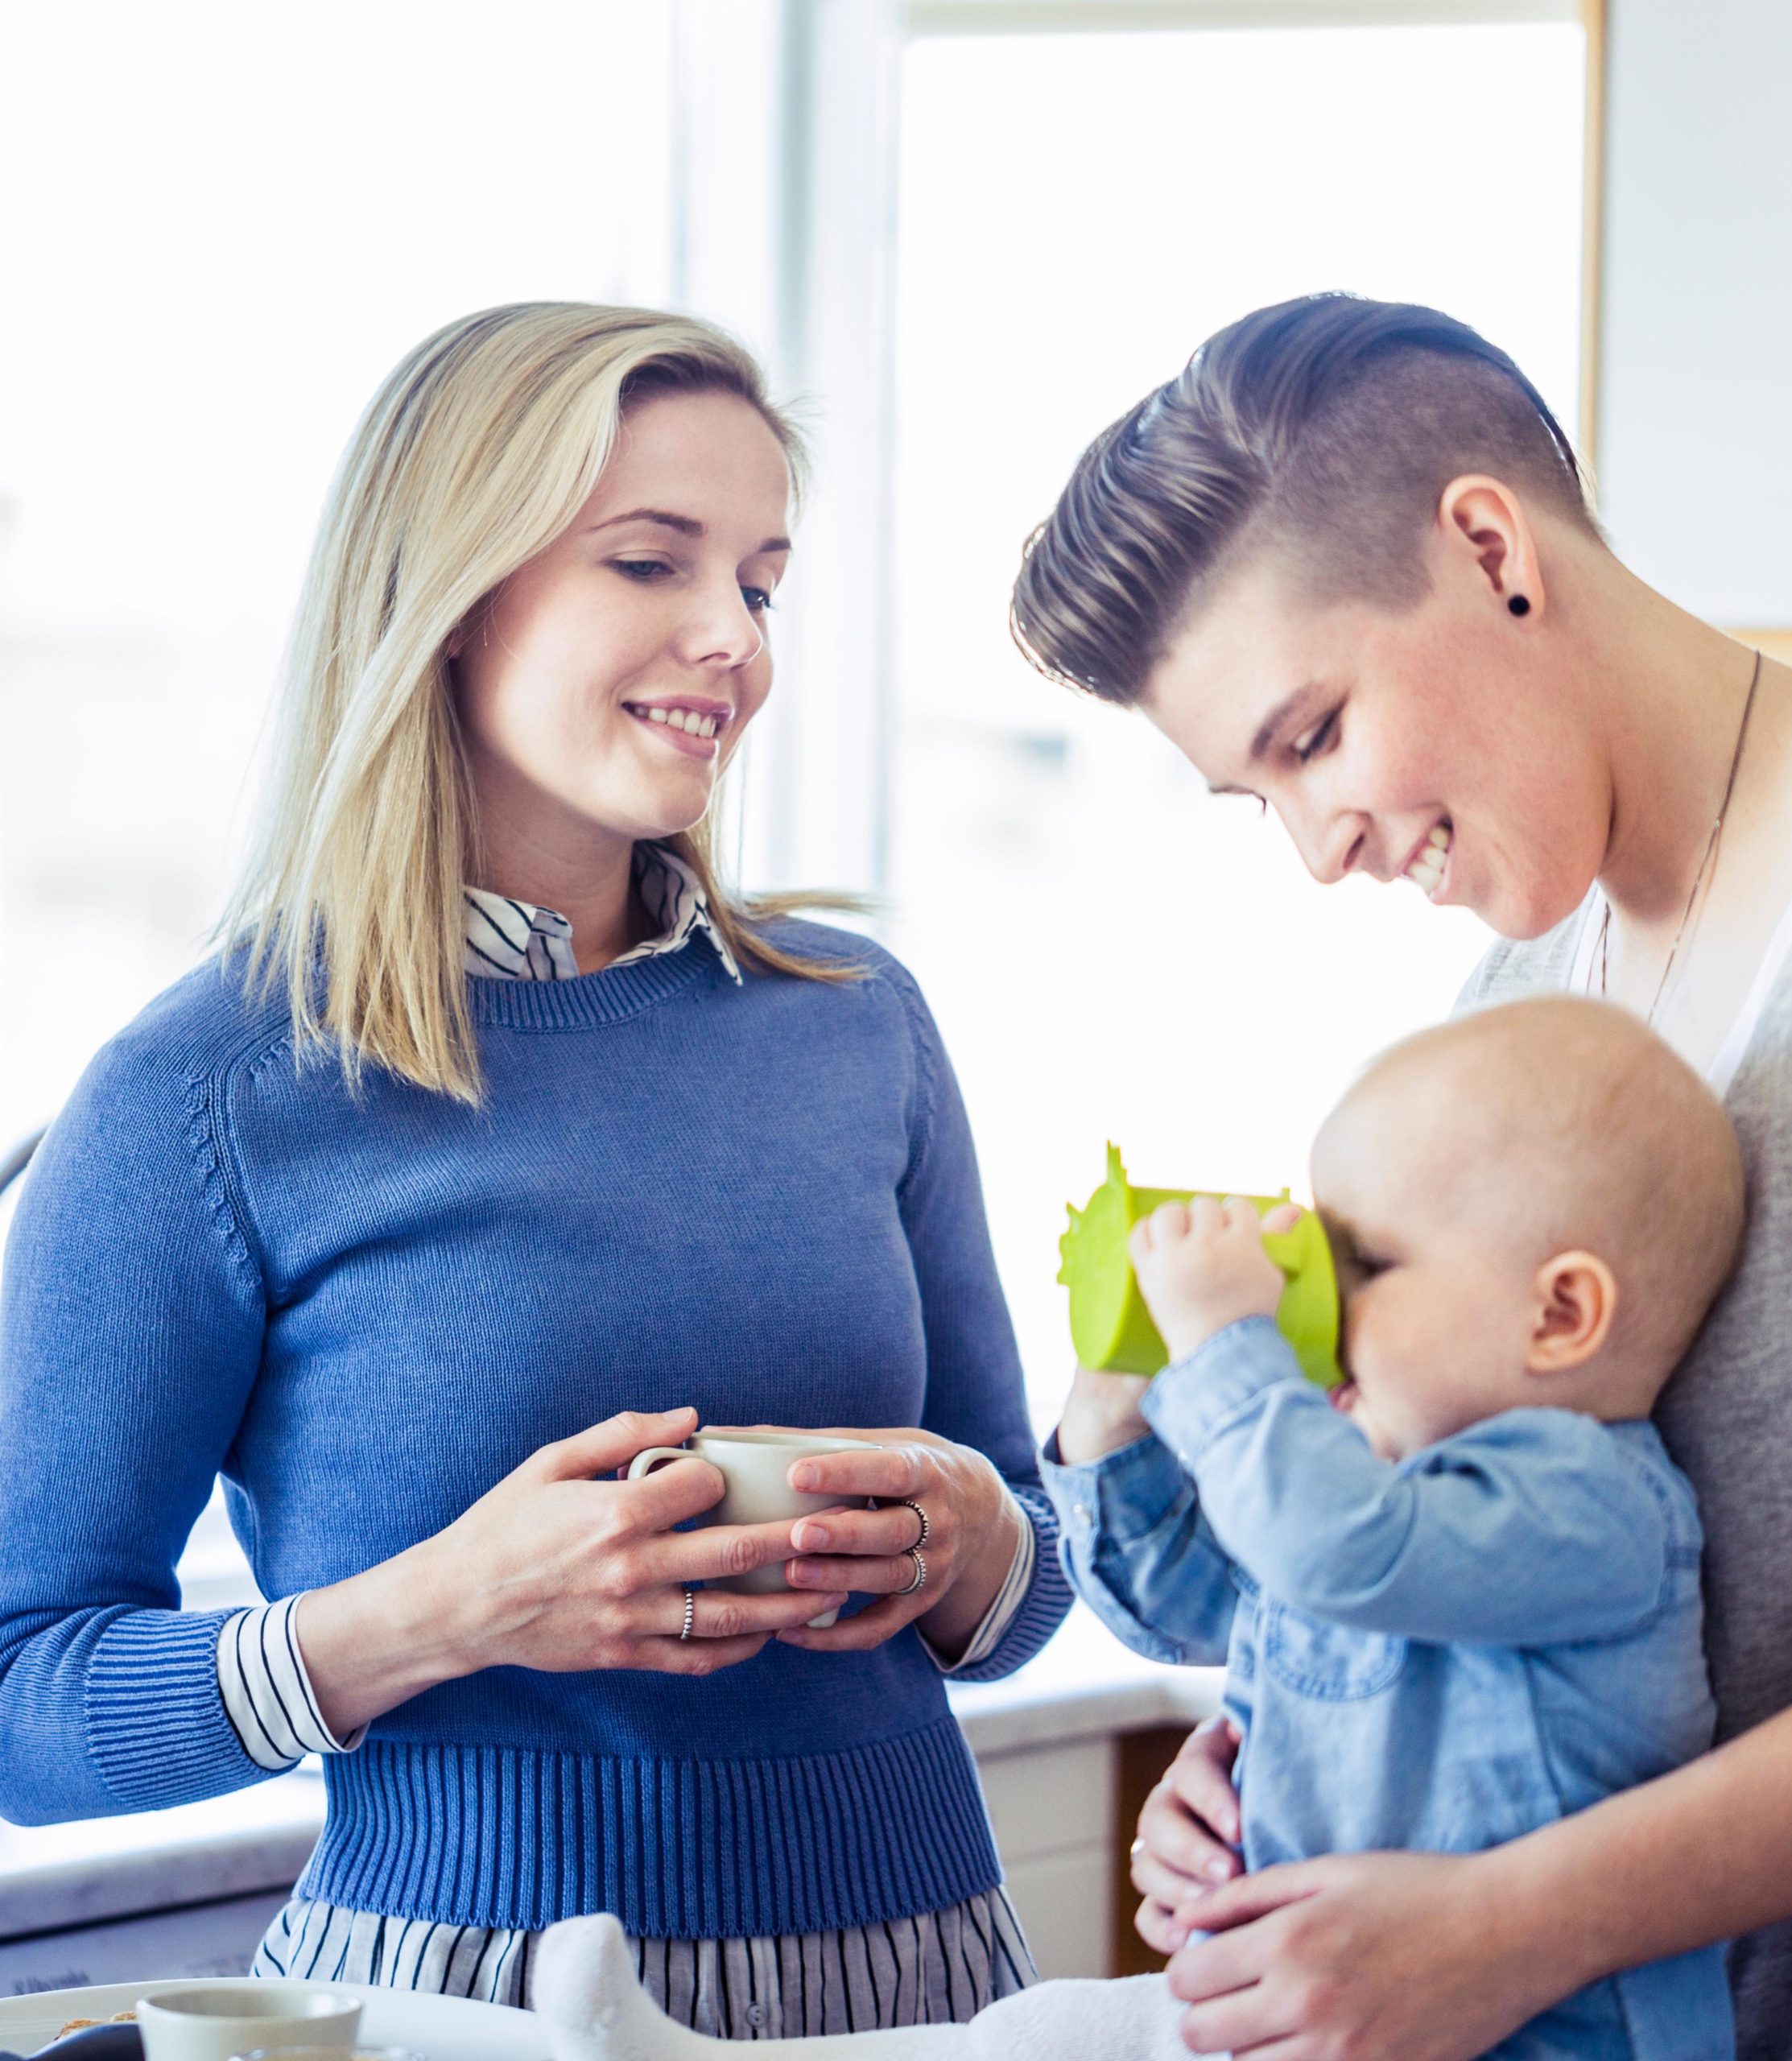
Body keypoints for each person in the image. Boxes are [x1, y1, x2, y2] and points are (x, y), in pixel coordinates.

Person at [1008, 292, 1792, 2060]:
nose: (1318, 847)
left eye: (1312, 734)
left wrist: (1507, 1921)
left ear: (1488, 546)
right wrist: (1289, 1745)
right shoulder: (1521, 993)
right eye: (1251, 798)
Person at [0, 303, 1071, 2033]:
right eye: (650, 561)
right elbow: (21, 1704)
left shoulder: (857, 1023)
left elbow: (1025, 1557)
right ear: (444, 595)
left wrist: (961, 1543)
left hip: (924, 1981)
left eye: (762, 579)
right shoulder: (206, 1089)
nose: (728, 637)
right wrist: (439, 1611)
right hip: (462, 2003)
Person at [523, 997, 1746, 2061]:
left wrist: (1227, 1342)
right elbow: (1176, 1600)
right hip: (1324, 2006)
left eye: (1362, 1263)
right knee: (1046, 2035)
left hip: (1530, 2034)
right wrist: (1116, 1394)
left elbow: (1336, 1548)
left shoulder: (1586, 1507)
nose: (1315, 1300)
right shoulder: (1357, 1476)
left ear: (1562, 1314)